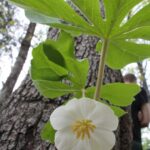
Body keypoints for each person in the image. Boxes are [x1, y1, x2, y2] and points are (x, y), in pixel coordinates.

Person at [123, 73, 149, 150]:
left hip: (115, 139)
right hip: (134, 140)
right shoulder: (139, 90)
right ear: (135, 81)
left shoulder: (115, 91)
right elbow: (146, 120)